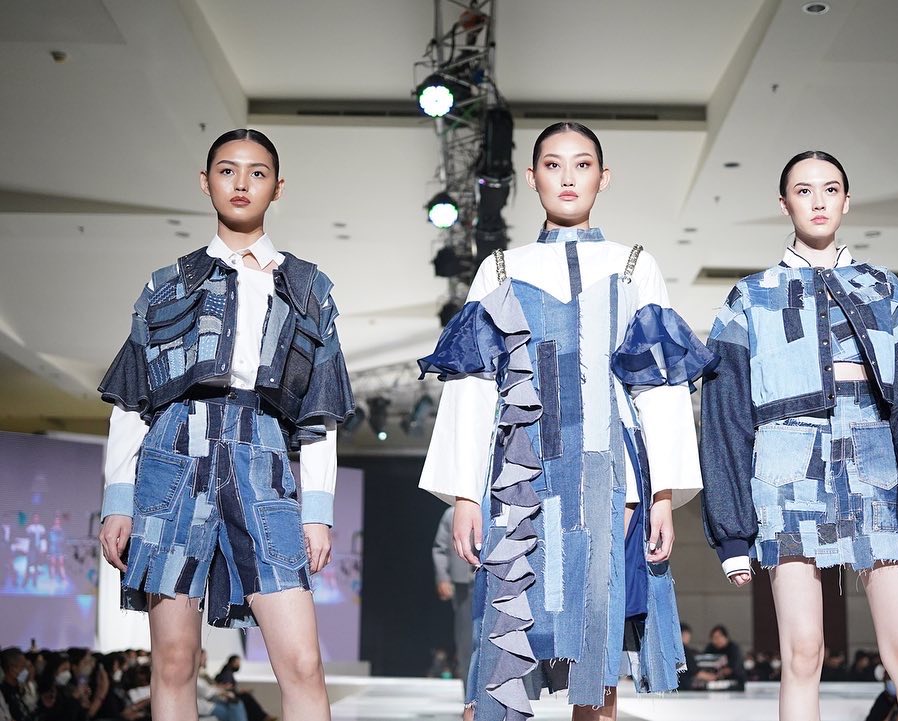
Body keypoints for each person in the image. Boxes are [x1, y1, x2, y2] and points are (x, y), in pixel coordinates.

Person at [418, 121, 710, 721]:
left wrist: (662, 494)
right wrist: (466, 496)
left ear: (604, 177)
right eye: (553, 165)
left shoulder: (634, 265)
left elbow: (658, 386)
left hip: (612, 481)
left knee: (598, 664)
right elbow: (473, 387)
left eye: (582, 164)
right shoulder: (501, 269)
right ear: (531, 178)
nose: (568, 177)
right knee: (500, 653)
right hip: (519, 480)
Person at [97, 128, 355, 721]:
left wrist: (317, 509)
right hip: (173, 457)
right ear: (206, 181)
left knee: (303, 664)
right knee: (174, 661)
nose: (241, 183)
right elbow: (132, 399)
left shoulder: (308, 288)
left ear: (277, 187)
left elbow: (320, 408)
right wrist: (117, 499)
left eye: (257, 172)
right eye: (227, 170)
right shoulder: (167, 283)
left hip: (263, 458)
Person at [700, 150, 898, 721]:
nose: (818, 201)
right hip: (787, 471)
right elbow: (725, 415)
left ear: (847, 200)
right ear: (783, 204)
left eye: (830, 189)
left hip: (876, 471)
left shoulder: (882, 287)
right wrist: (732, 532)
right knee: (802, 655)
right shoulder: (751, 295)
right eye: (803, 190)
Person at [432, 506, 475, 681]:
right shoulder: (452, 513)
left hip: (492, 582)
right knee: (465, 641)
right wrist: (443, 578)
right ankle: (469, 693)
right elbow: (440, 548)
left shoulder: (494, 507)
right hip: (464, 585)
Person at [215, 656, 273, 721]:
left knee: (246, 698)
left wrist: (238, 691)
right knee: (247, 698)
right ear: (232, 662)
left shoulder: (227, 671)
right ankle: (263, 717)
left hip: (229, 695)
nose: (239, 665)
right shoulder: (227, 673)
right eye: (237, 663)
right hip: (228, 697)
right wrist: (238, 692)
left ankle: (262, 717)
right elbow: (227, 688)